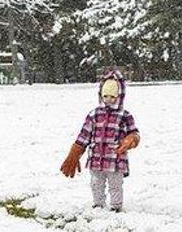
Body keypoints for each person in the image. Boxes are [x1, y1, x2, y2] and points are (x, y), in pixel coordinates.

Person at [60, 70, 140, 212]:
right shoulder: (94, 114)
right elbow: (84, 135)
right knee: (96, 183)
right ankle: (98, 204)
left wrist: (131, 139)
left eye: (112, 96)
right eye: (105, 96)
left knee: (115, 184)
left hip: (115, 159)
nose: (108, 99)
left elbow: (134, 132)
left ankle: (116, 206)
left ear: (119, 96)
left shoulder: (124, 115)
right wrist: (75, 152)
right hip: (96, 159)